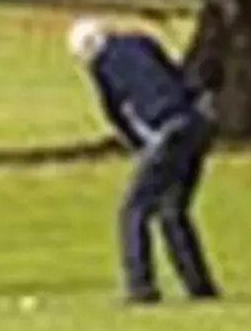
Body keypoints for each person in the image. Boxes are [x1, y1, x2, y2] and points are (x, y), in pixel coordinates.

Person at [69, 18, 220, 305]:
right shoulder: (140, 40)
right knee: (173, 209)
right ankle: (200, 287)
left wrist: (140, 148)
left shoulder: (101, 66)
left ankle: (140, 287)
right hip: (195, 126)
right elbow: (180, 78)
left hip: (167, 133)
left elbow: (116, 114)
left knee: (132, 210)